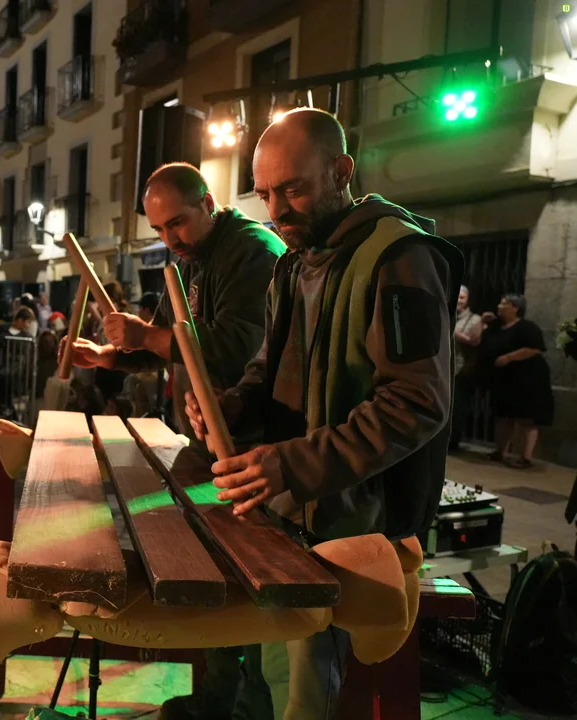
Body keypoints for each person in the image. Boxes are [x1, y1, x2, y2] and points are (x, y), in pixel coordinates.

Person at [184, 108, 463, 720]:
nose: (277, 210)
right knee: (267, 676)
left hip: (355, 524)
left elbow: (418, 402)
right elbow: (270, 364)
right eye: (264, 194)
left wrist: (292, 465)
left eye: (293, 189)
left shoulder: (401, 257)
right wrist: (232, 404)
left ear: (341, 171)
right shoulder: (294, 261)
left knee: (308, 698)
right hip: (287, 514)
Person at [65, 163, 283, 720]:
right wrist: (111, 356)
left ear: (208, 203)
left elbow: (240, 346)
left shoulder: (254, 251)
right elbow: (164, 342)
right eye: (159, 229)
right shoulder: (189, 259)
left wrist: (148, 335)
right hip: (207, 442)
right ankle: (216, 700)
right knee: (221, 578)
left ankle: (249, 711)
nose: (169, 239)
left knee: (257, 586)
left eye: (177, 223)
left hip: (255, 448)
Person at [480, 293, 554, 468]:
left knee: (527, 418)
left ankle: (525, 457)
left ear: (515, 308)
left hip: (528, 378)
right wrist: (484, 322)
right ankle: (500, 451)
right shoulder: (496, 327)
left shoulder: (527, 327)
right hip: (505, 378)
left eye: (504, 303)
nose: (499, 306)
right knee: (503, 415)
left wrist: (509, 357)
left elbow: (535, 348)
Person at [450, 285, 483, 451]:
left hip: (461, 370)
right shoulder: (445, 315)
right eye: (456, 296)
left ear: (467, 300)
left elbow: (474, 340)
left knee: (457, 407)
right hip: (441, 369)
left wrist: (451, 330)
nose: (458, 300)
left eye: (462, 297)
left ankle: (452, 440)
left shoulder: (475, 319)